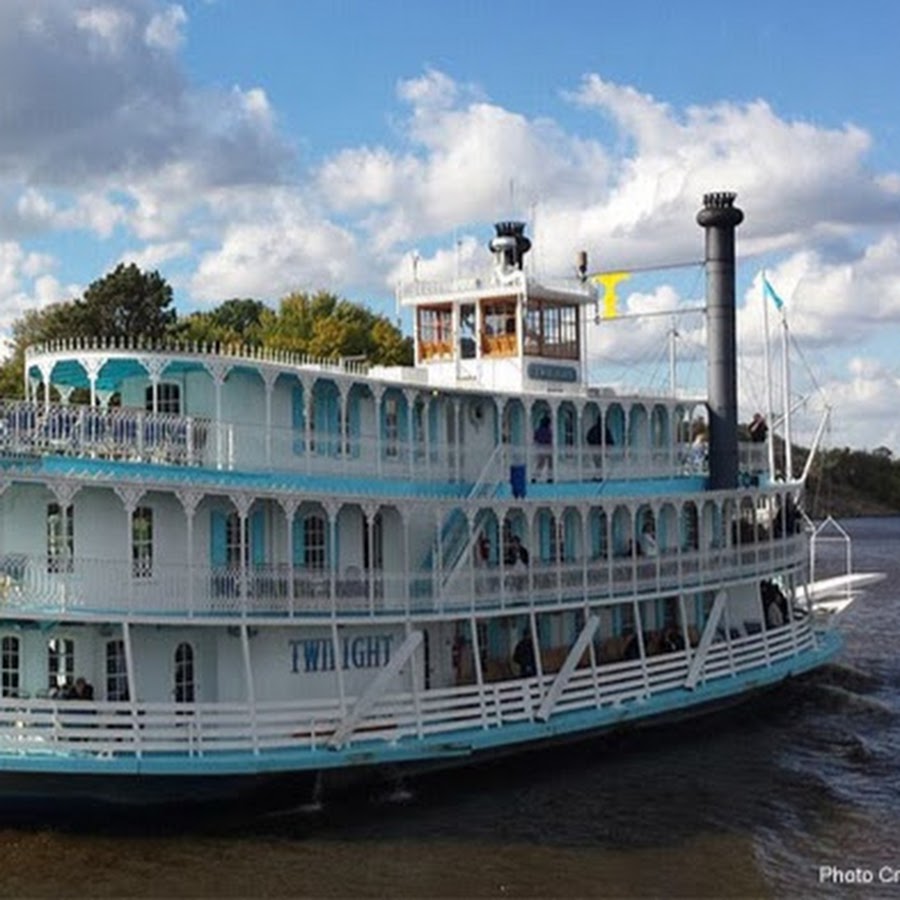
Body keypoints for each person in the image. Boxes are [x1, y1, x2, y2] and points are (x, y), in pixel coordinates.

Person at [533, 415, 553, 481]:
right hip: (547, 447)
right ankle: (550, 477)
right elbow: (549, 439)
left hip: (540, 447)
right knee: (549, 463)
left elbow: (535, 438)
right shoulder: (548, 430)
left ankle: (535, 477)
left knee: (540, 463)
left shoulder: (538, 430)